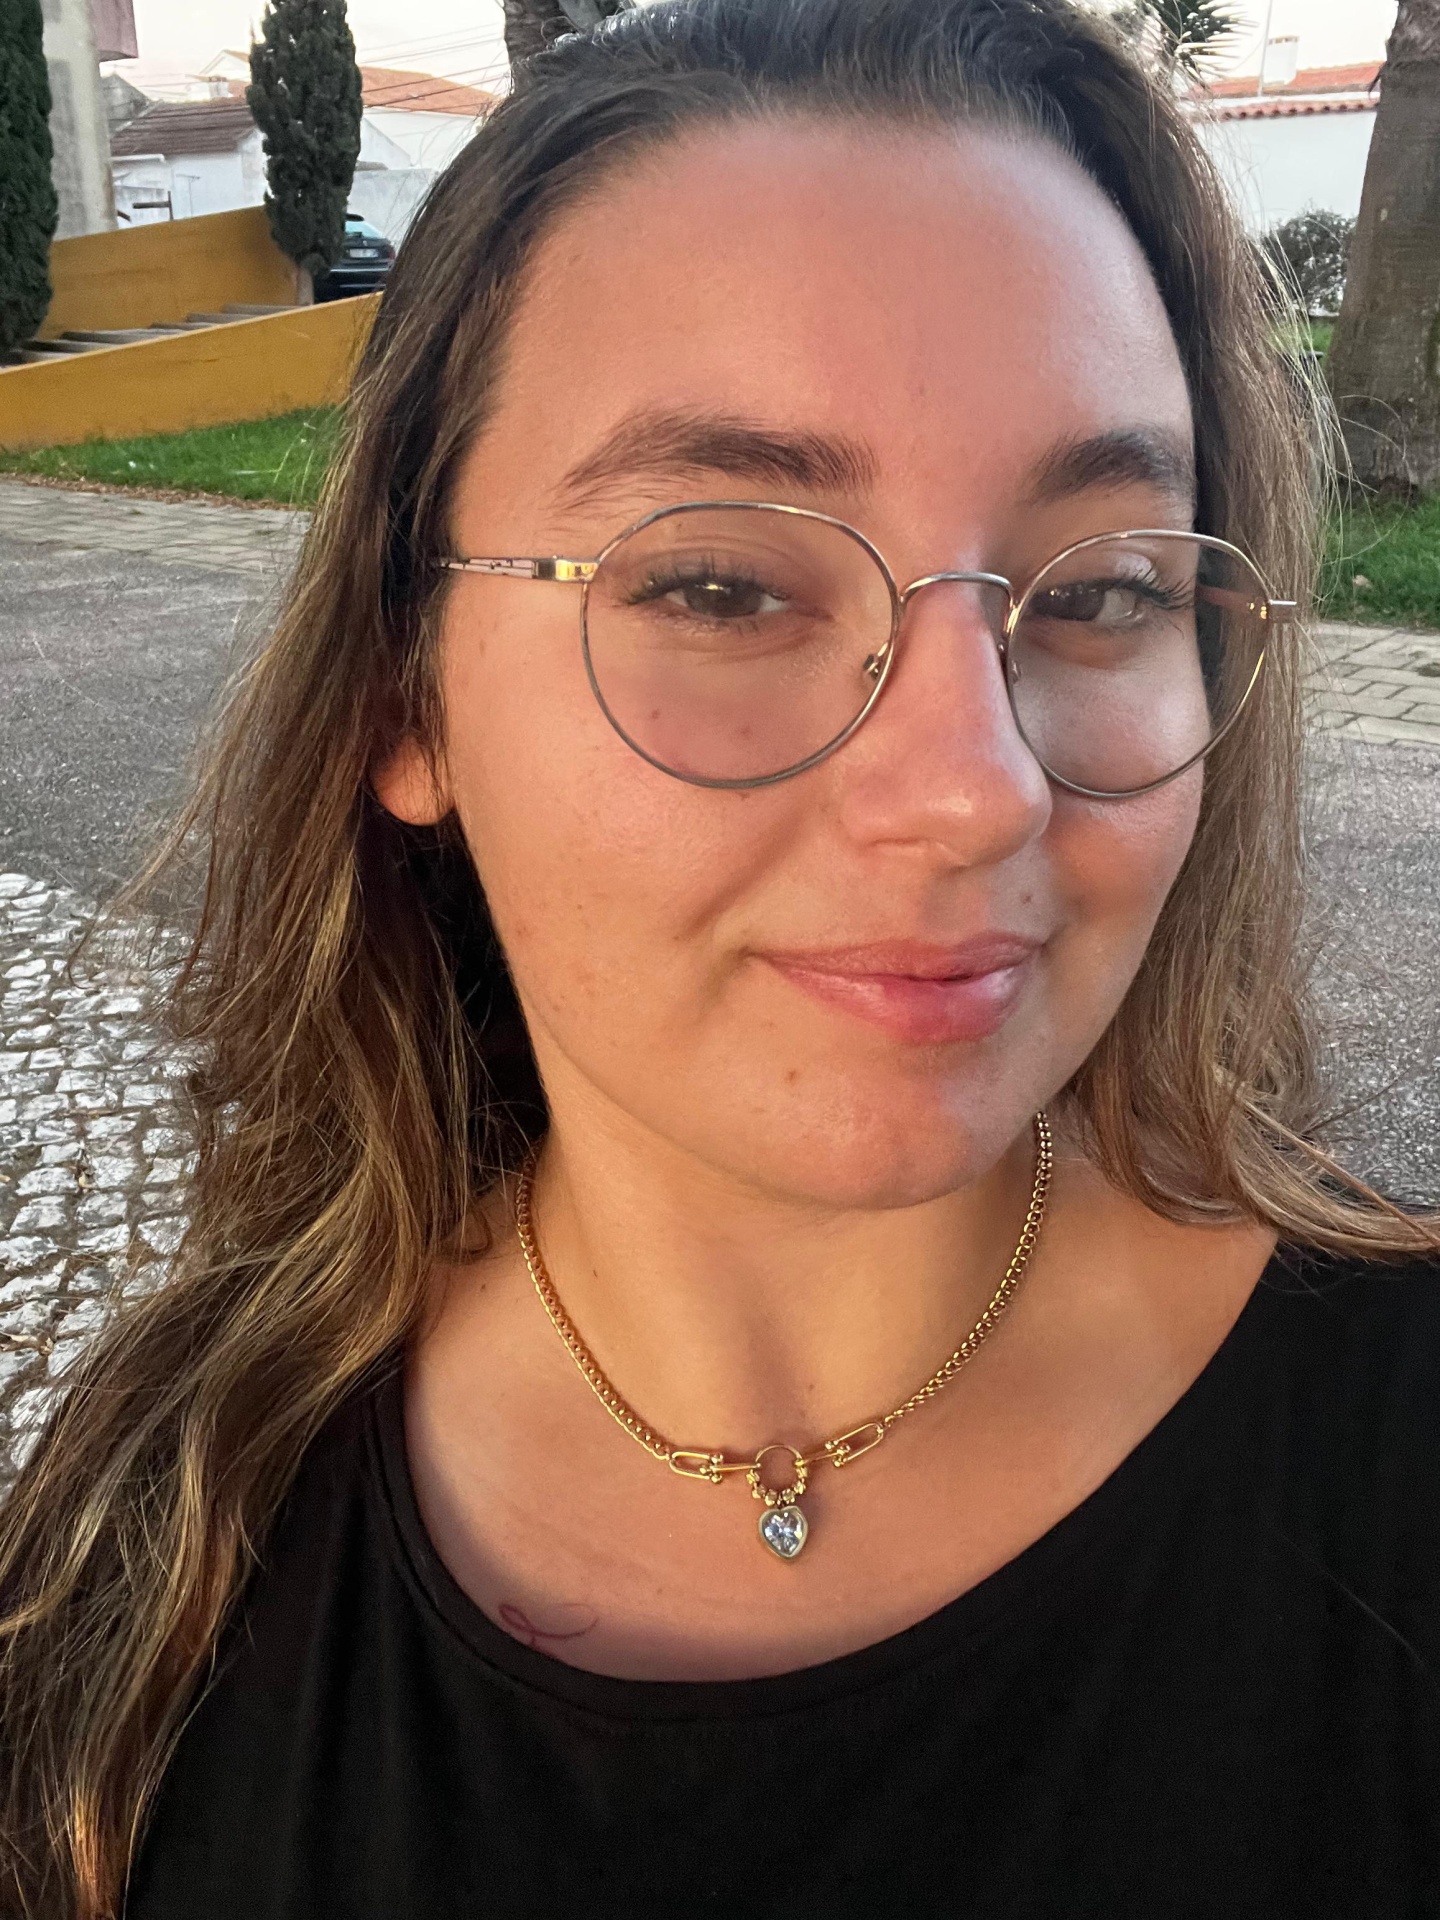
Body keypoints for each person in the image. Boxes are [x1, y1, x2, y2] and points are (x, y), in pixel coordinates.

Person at [2, 0, 1437, 1913]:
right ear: (401, 693)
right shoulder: (156, 1532)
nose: (974, 792)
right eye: (721, 584)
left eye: (1103, 590)